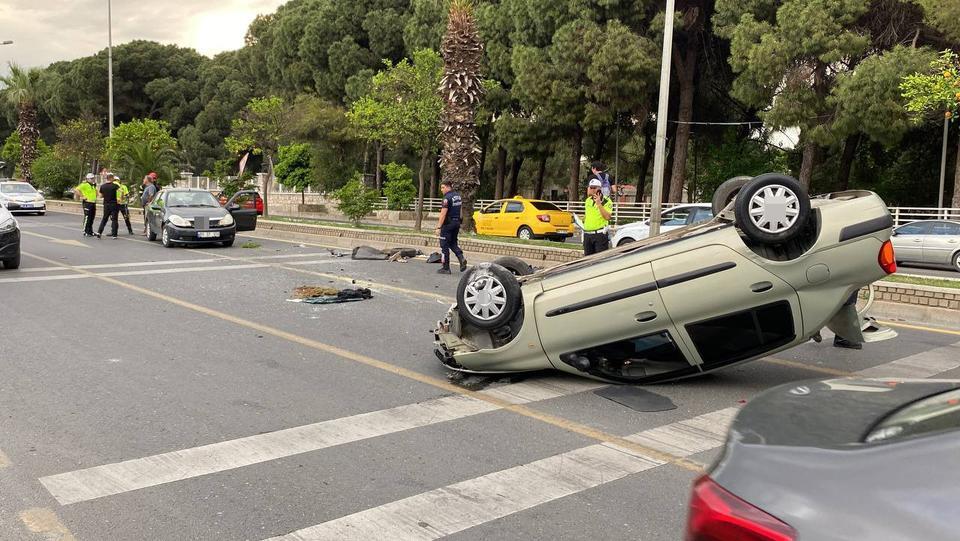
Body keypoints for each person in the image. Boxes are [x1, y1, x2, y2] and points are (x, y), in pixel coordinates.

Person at [435, 180, 466, 274]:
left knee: (444, 246)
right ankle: (461, 258)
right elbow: (460, 210)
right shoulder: (457, 196)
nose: (441, 190)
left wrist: (439, 227)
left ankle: (446, 267)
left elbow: (443, 214)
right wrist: (459, 221)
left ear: (449, 187)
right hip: (456, 223)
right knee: (453, 243)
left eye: (443, 187)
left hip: (447, 224)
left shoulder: (446, 198)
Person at [582, 178, 613, 256]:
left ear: (599, 189)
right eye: (590, 187)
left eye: (594, 188)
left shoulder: (606, 201)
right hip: (587, 235)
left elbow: (607, 217)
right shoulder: (588, 200)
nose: (592, 190)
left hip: (599, 235)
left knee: (599, 260)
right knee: (587, 260)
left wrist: (599, 204)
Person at [96, 173, 121, 239]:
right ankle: (114, 235)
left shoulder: (103, 186)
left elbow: (101, 196)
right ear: (111, 178)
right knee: (114, 220)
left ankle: (99, 232)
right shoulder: (115, 186)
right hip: (113, 204)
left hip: (106, 204)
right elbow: (120, 193)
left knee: (104, 219)